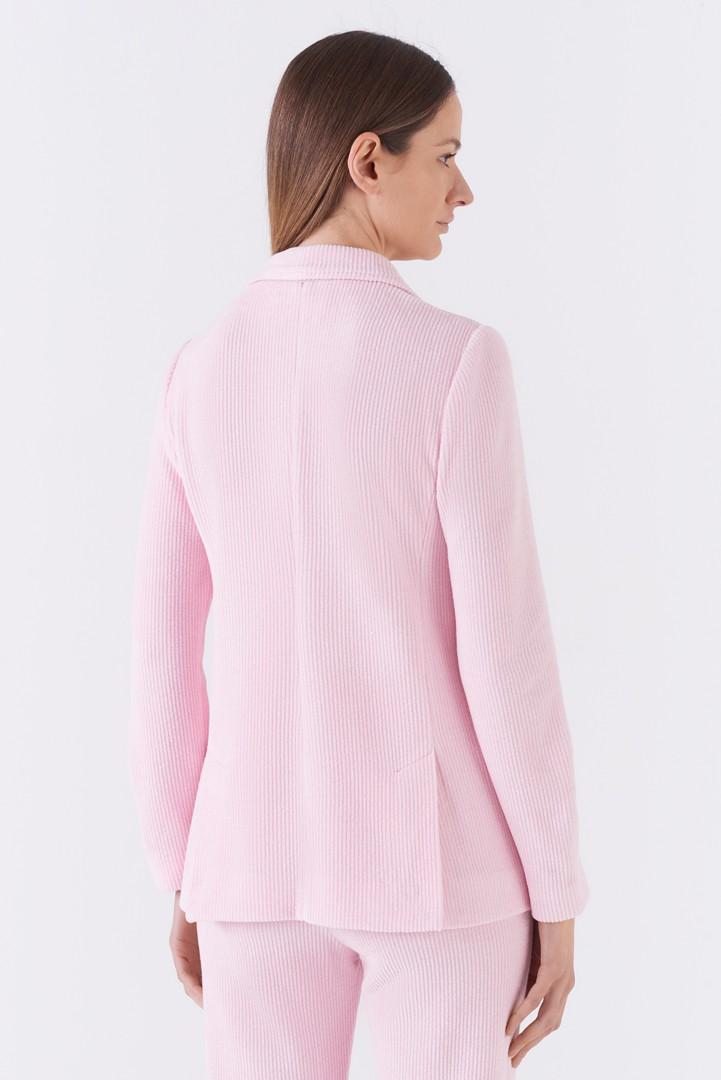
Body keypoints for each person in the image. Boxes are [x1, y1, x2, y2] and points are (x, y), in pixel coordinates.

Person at [128, 29, 590, 1079]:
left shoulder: (196, 373)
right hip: (436, 876)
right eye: (447, 155)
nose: (462, 190)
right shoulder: (457, 361)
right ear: (368, 159)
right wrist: (556, 892)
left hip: (245, 872)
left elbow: (160, 660)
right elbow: (506, 656)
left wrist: (183, 870)